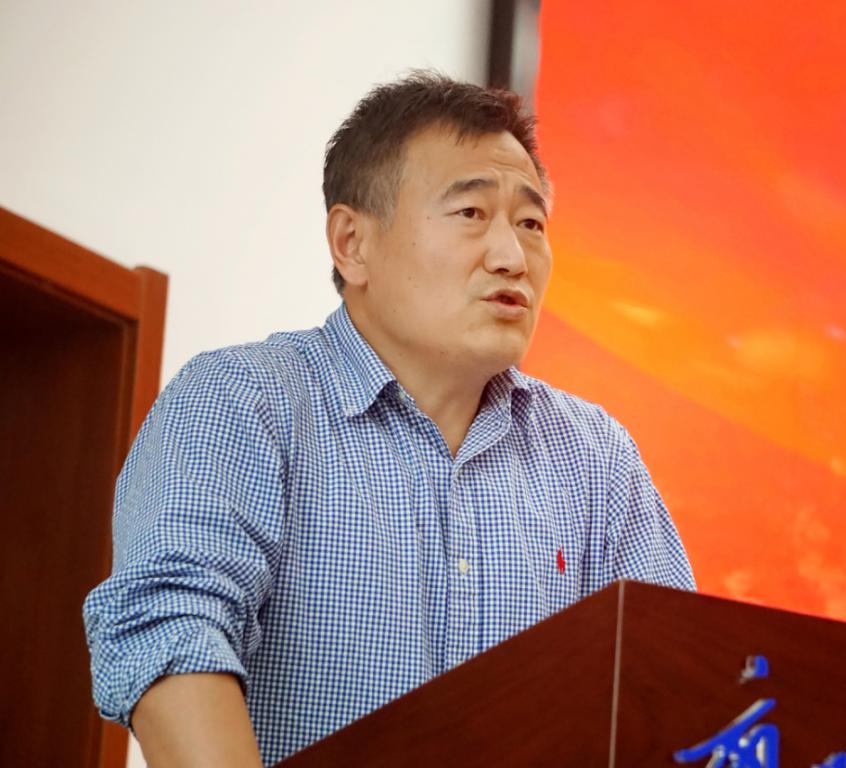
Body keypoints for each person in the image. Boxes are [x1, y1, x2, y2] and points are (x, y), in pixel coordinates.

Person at [83, 71, 694, 766]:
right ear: (352, 243)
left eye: (531, 224)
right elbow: (170, 626)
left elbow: (678, 687)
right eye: (471, 213)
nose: (511, 258)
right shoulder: (245, 400)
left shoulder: (595, 457)